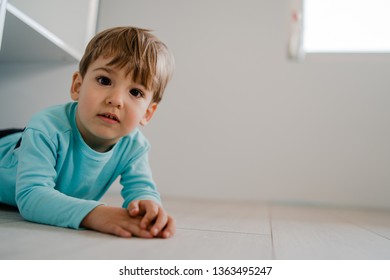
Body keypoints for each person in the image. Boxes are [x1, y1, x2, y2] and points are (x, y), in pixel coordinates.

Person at [0, 26, 176, 238]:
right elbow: (31, 197)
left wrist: (149, 208)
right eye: (104, 81)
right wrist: (96, 214)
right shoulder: (46, 128)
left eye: (135, 92)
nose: (116, 100)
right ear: (77, 86)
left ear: (147, 113)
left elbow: (141, 189)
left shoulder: (134, 146)